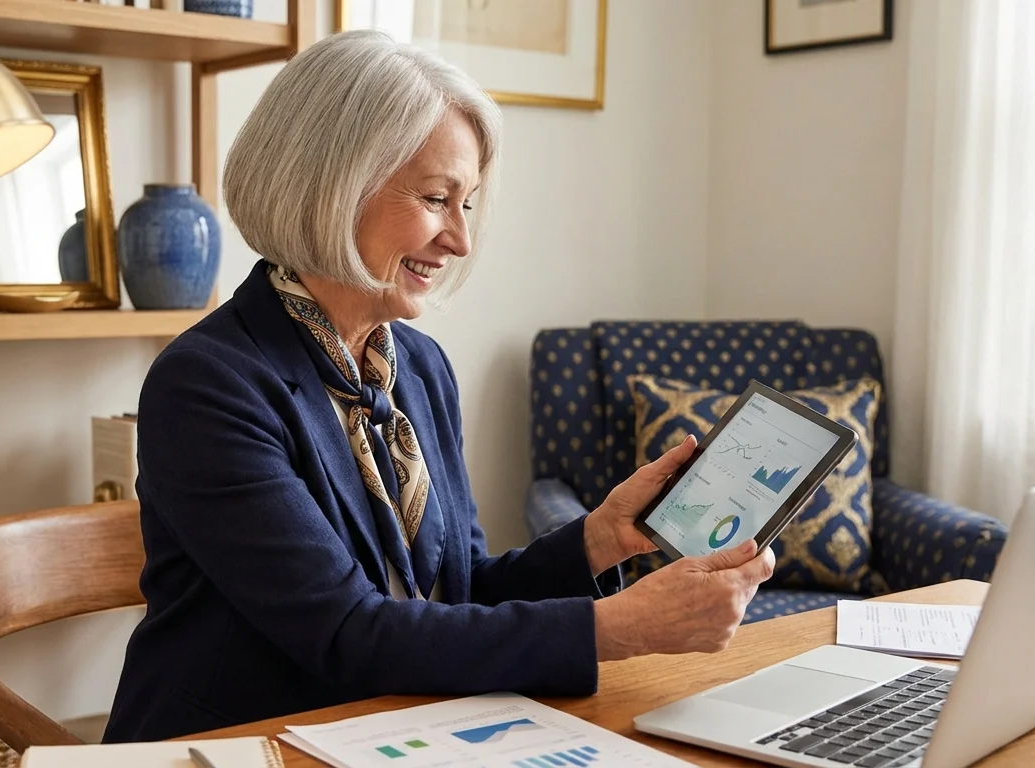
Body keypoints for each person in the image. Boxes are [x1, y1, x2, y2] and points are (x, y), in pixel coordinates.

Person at [101, 29, 775, 743]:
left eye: (467, 205)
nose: (459, 240)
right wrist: (617, 627)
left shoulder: (419, 368)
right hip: (246, 745)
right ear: (331, 186)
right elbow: (347, 633)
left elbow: (456, 596)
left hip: (398, 733)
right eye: (434, 198)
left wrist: (597, 540)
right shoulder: (207, 386)